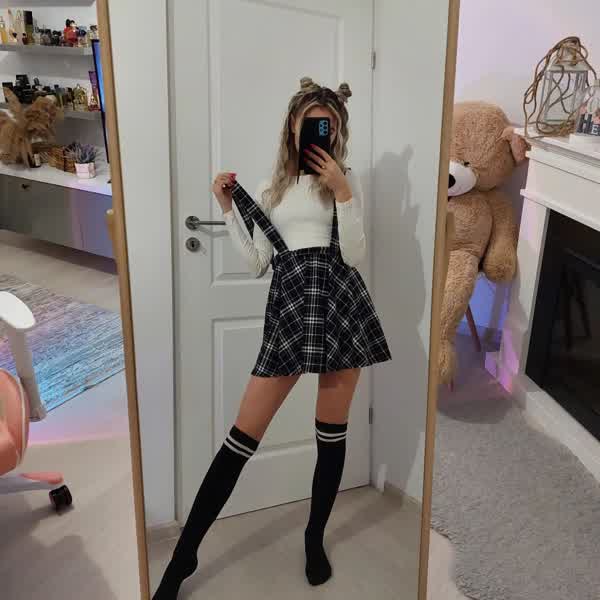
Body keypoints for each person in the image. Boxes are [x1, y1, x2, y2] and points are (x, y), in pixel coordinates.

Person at [153, 76, 391, 599]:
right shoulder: (271, 189)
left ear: (338, 131)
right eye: (312, 124)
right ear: (293, 128)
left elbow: (354, 254)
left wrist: (343, 192)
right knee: (240, 439)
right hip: (289, 308)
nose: (322, 133)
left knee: (331, 436)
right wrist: (226, 209)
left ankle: (313, 537)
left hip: (340, 306)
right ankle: (184, 555)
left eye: (329, 125)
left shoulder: (346, 180)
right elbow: (258, 261)